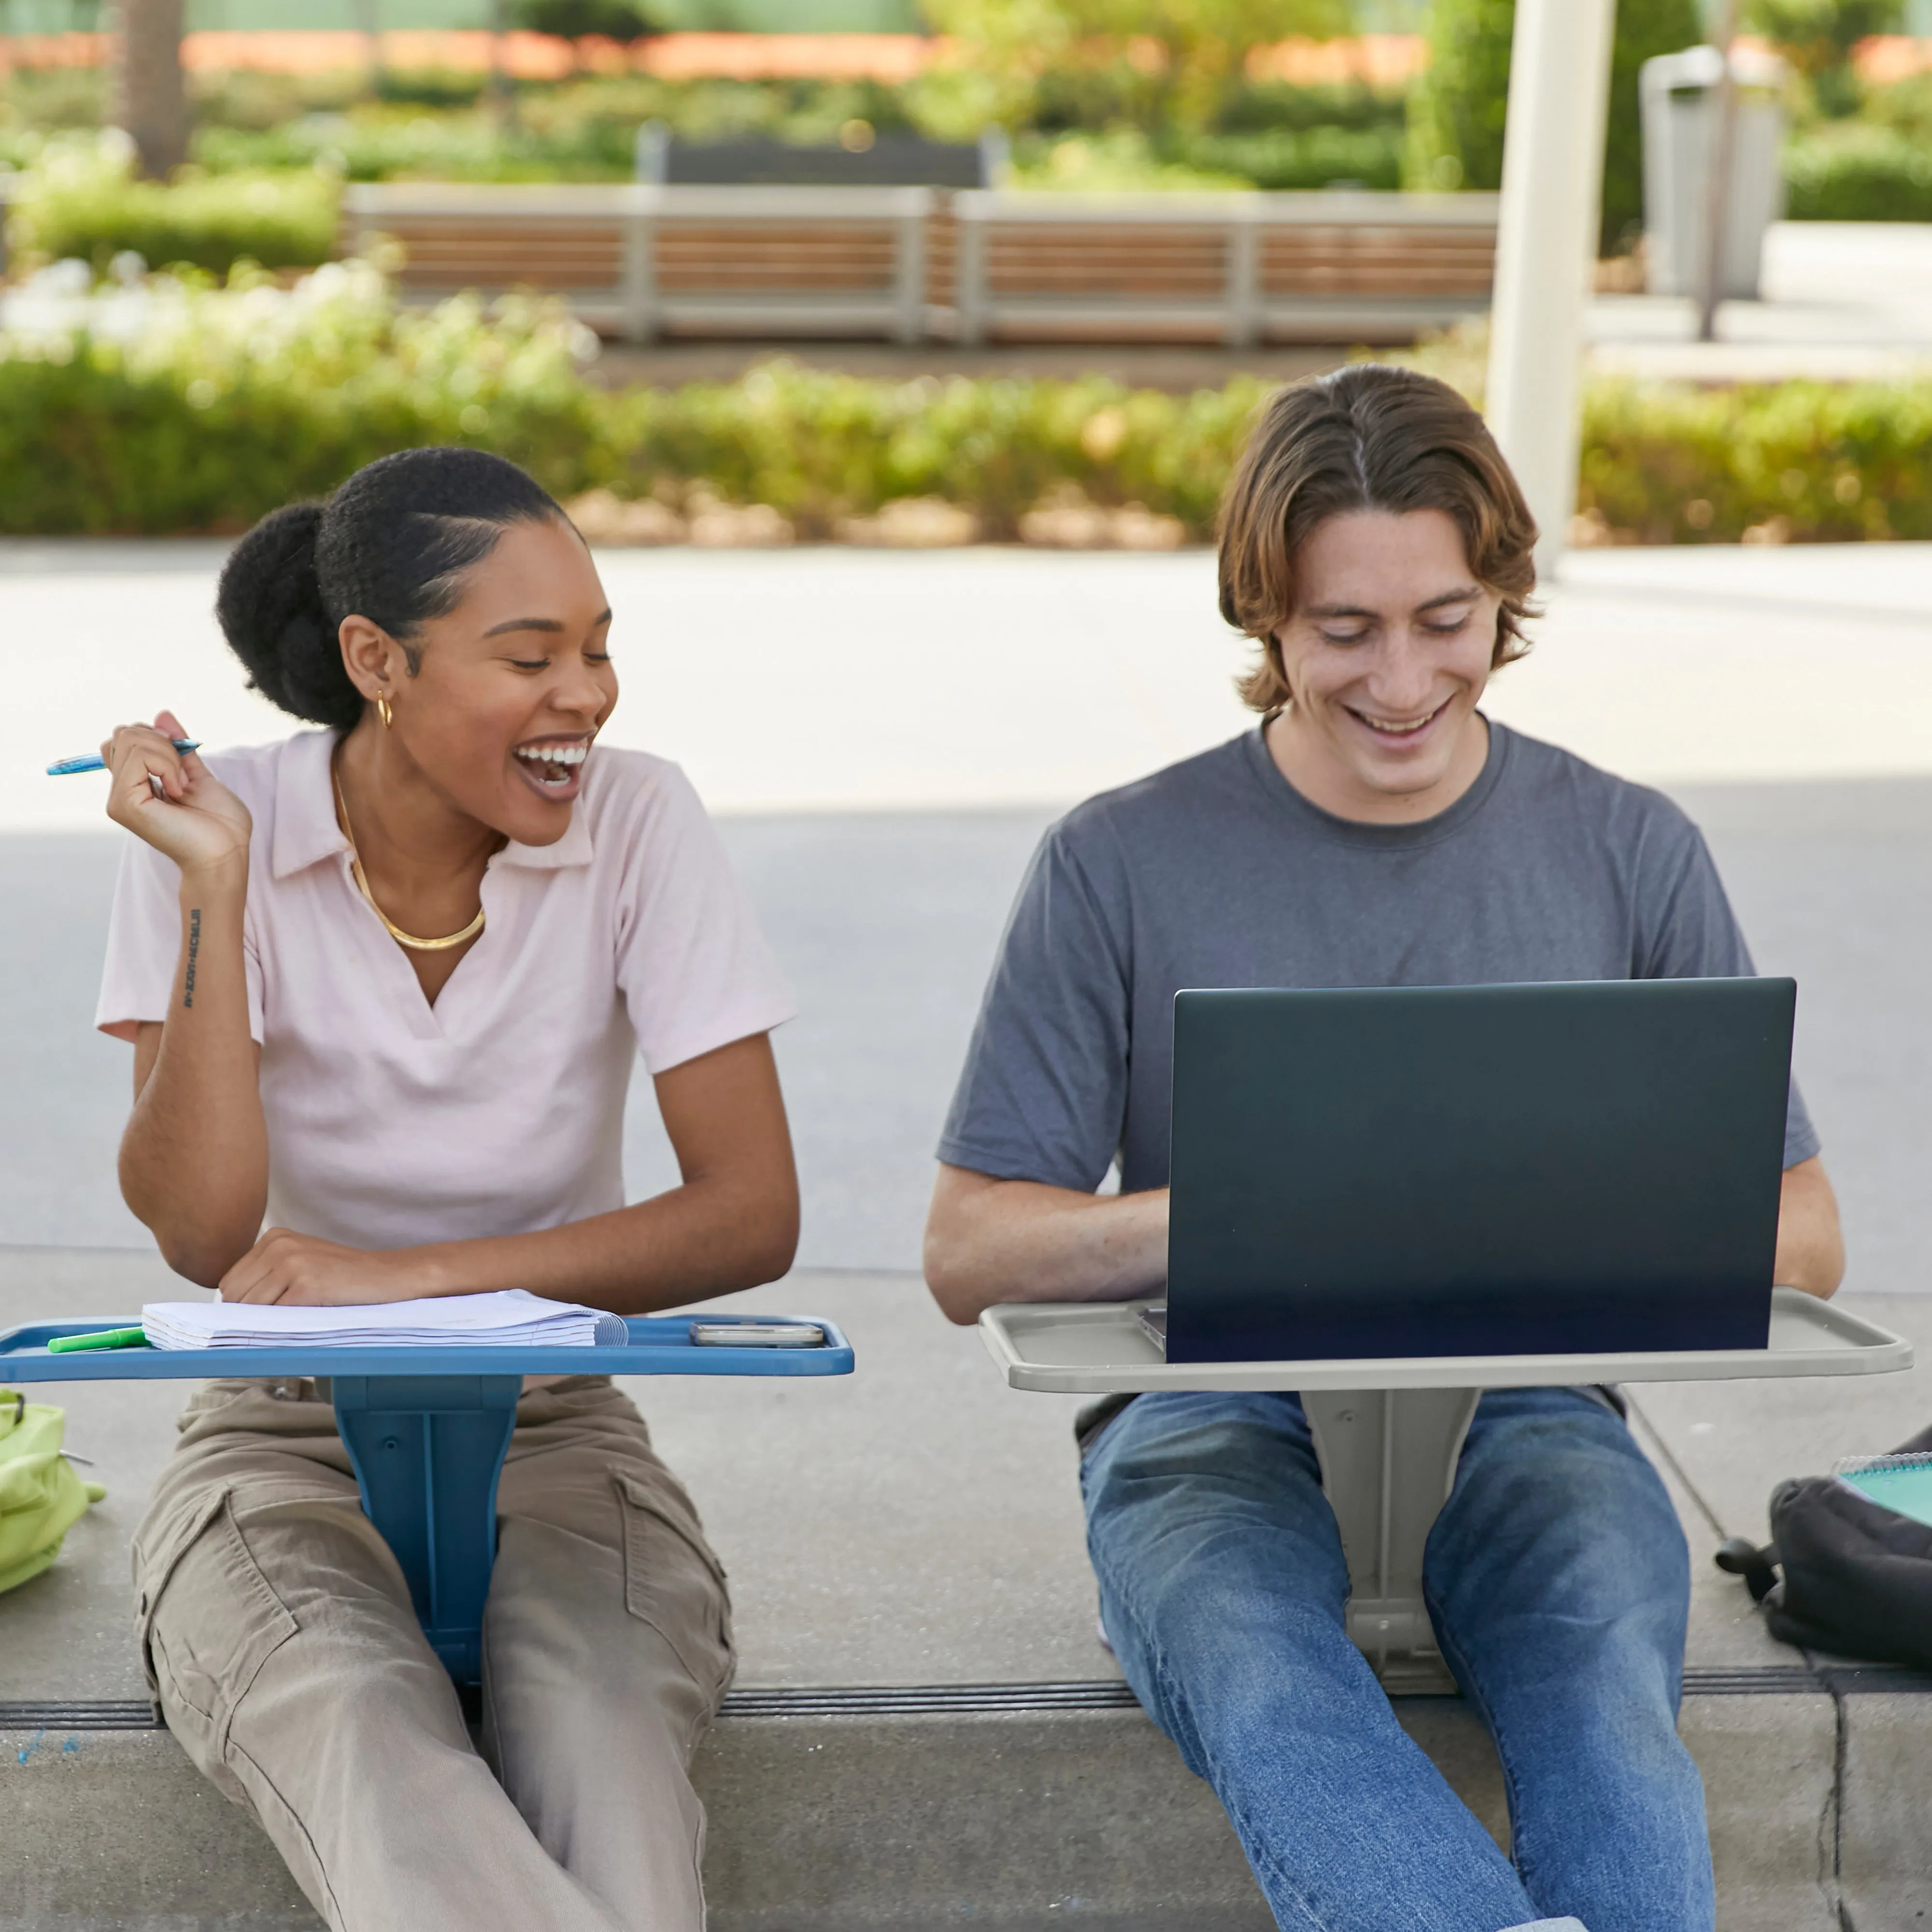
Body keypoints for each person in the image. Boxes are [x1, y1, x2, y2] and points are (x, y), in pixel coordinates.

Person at [922, 365, 1844, 1932]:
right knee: (1263, 1680)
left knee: (1608, 1703)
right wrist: (1259, 1214)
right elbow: (969, 1250)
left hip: (1534, 1412)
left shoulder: (1629, 848)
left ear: (1504, 601)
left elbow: (1805, 1238)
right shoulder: (1116, 860)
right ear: (1267, 620)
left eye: (1446, 620)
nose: (1404, 677)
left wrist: (1530, 1216)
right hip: (1202, 1415)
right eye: (1345, 631)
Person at [95, 447, 800, 1932]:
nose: (587, 698)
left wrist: (410, 1277)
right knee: (359, 1722)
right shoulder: (206, 834)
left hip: (561, 1432)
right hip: (275, 1447)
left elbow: (751, 1209)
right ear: (378, 662)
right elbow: (205, 1232)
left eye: (600, 651)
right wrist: (215, 888)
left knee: (610, 1751)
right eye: (530, 656)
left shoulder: (642, 824)